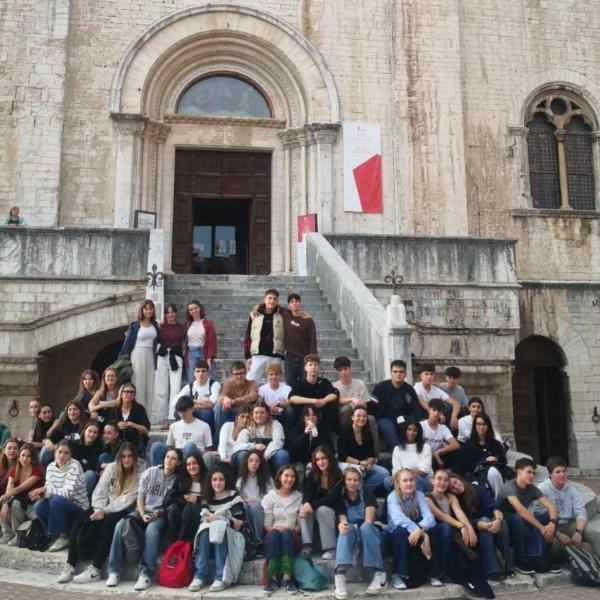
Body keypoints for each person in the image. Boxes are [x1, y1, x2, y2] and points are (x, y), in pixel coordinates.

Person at [57, 442, 140, 584]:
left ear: (134, 458)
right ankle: (70, 565)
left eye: (130, 456)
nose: (126, 459)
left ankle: (96, 569)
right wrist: (98, 509)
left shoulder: (139, 474)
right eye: (123, 456)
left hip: (123, 510)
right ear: (119, 457)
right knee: (81, 517)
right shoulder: (112, 468)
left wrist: (105, 511)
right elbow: (99, 490)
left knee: (109, 523)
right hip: (104, 507)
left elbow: (127, 500)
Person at [106, 448, 181, 590]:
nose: (169, 461)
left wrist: (158, 513)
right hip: (142, 510)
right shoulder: (150, 472)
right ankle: (114, 570)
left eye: (173, 459)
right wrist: (141, 513)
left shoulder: (177, 480)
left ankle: (145, 573)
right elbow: (140, 497)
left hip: (160, 515)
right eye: (167, 457)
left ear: (178, 462)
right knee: (120, 524)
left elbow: (172, 504)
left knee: (152, 530)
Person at [497, 457, 561, 574]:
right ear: (519, 472)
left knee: (549, 515)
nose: (532, 475)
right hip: (505, 522)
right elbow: (521, 510)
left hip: (523, 521)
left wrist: (552, 523)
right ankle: (521, 560)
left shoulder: (531, 488)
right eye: (529, 472)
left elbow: (551, 506)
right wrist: (541, 528)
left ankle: (546, 558)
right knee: (517, 518)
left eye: (533, 473)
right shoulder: (509, 487)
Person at [188, 467, 246, 593]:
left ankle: (221, 577)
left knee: (219, 526)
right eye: (214, 480)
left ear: (226, 481)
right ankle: (199, 575)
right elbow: (204, 519)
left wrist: (219, 518)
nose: (217, 483)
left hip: (231, 539)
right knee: (204, 529)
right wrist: (215, 519)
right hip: (210, 541)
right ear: (210, 481)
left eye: (221, 479)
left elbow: (239, 524)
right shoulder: (207, 497)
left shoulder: (234, 496)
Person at [333, 466, 387, 599]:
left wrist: (357, 547)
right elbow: (343, 521)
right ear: (344, 481)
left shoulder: (367, 493)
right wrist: (342, 526)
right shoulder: (340, 499)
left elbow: (368, 522)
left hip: (373, 537)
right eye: (349, 480)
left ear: (360, 482)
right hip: (354, 537)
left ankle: (380, 575)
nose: (352, 483)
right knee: (346, 528)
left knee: (365, 527)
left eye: (356, 480)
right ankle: (339, 575)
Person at [449, 474, 511, 580]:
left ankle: (508, 566)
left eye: (455, 482)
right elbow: (466, 520)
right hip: (474, 527)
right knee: (484, 528)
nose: (456, 487)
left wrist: (498, 521)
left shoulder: (476, 489)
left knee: (503, 524)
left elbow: (493, 506)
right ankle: (492, 570)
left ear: (459, 478)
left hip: (490, 520)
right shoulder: (456, 501)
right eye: (452, 488)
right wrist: (485, 525)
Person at [30, 440, 89, 552]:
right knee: (38, 506)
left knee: (56, 501)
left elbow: (67, 493)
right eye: (60, 451)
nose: (62, 455)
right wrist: (41, 495)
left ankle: (63, 536)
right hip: (60, 505)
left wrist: (46, 490)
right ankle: (54, 535)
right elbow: (49, 489)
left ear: (70, 455)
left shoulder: (75, 465)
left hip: (78, 508)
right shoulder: (51, 467)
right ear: (55, 452)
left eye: (66, 453)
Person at [387, 468, 439, 590]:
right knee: (401, 531)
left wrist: (420, 530)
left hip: (414, 531)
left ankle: (434, 573)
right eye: (405, 481)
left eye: (411, 480)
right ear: (399, 484)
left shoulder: (419, 495)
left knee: (434, 530)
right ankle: (398, 574)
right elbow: (399, 519)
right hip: (395, 533)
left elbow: (430, 518)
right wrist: (423, 534)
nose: (409, 483)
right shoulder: (392, 497)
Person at [425, 469, 478, 583]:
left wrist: (469, 527)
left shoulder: (450, 496)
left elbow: (458, 512)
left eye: (446, 480)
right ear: (432, 481)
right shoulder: (427, 498)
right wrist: (462, 526)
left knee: (464, 534)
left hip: (451, 531)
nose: (442, 482)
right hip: (435, 532)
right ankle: (440, 571)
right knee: (446, 528)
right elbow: (441, 517)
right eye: (439, 479)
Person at [537, 456, 590, 559]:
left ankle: (581, 555)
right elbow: (538, 516)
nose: (562, 474)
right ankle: (581, 554)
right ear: (550, 474)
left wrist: (578, 532)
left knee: (594, 533)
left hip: (569, 524)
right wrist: (559, 535)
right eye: (558, 472)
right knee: (556, 547)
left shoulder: (572, 489)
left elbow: (581, 511)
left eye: (564, 471)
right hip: (551, 527)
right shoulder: (541, 490)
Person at [261, 464, 302, 593]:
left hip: (291, 538)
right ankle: (272, 579)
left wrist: (288, 528)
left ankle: (287, 578)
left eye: (292, 476)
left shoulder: (299, 497)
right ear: (279, 477)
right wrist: (275, 528)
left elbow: (300, 527)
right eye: (286, 475)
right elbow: (267, 525)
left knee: (286, 533)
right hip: (273, 537)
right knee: (274, 534)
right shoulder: (269, 497)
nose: (289, 479)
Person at [299, 445, 342, 558]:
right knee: (303, 507)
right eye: (317, 459)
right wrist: (307, 503)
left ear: (330, 458)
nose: (320, 462)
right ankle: (306, 546)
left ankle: (331, 548)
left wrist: (311, 505)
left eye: (323, 458)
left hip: (334, 510)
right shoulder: (314, 473)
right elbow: (307, 491)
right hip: (317, 507)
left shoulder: (338, 475)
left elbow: (332, 499)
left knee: (322, 510)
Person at [119, 299, 159, 418]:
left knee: (150, 385)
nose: (148, 311)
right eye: (146, 309)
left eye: (151, 309)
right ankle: (138, 415)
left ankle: (148, 416)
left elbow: (158, 341)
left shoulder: (155, 325)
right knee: (138, 385)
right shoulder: (135, 325)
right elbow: (127, 343)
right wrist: (122, 358)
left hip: (151, 355)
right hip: (138, 354)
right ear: (142, 310)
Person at [337, 406, 388, 495]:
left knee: (384, 473)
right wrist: (360, 463)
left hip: (364, 465)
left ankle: (362, 490)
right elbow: (343, 456)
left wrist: (368, 462)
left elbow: (372, 455)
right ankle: (357, 490)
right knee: (358, 473)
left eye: (364, 416)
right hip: (350, 465)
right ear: (352, 417)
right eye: (358, 416)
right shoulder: (345, 433)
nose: (361, 418)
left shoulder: (367, 433)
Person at [150, 395, 213, 467]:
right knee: (156, 446)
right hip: (178, 455)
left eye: (185, 411)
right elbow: (170, 446)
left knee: (190, 446)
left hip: (195, 456)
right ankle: (157, 473)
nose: (182, 414)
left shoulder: (204, 426)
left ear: (192, 409)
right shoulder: (174, 426)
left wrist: (200, 451)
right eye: (180, 412)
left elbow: (209, 449)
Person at [0, 443, 42, 545]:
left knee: (14, 503)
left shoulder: (37, 470)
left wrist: (4, 497)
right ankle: (7, 534)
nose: (25, 458)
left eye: (28, 456)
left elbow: (20, 488)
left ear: (33, 458)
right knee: (7, 502)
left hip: (32, 502)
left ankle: (17, 535)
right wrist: (4, 503)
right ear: (19, 456)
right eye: (23, 455)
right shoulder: (14, 469)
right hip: (19, 500)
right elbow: (9, 488)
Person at [288, 354, 339, 437]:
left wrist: (324, 400)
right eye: (310, 365)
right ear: (305, 367)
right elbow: (292, 398)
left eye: (315, 365)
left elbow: (335, 394)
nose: (313, 367)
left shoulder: (324, 382)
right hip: (303, 416)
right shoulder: (299, 383)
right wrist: (313, 401)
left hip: (321, 416)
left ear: (319, 367)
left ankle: (330, 431)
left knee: (333, 403)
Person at [371, 360, 418, 450]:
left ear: (405, 374)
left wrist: (412, 420)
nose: (398, 374)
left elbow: (415, 408)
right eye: (395, 371)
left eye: (401, 372)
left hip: (403, 418)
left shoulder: (409, 389)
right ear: (391, 373)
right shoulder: (380, 387)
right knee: (389, 429)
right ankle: (399, 453)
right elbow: (372, 406)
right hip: (384, 418)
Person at [333, 355, 379, 447]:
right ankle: (348, 440)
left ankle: (375, 455)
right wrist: (352, 399)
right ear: (337, 372)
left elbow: (364, 404)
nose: (343, 372)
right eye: (340, 370)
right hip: (344, 419)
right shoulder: (335, 386)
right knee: (347, 409)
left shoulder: (360, 384)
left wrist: (358, 413)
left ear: (350, 368)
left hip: (359, 414)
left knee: (371, 419)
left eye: (345, 368)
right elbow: (337, 400)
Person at [233, 402, 290, 474]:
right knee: (241, 455)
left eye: (262, 412)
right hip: (252, 457)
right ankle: (246, 480)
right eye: (256, 413)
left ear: (268, 414)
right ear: (252, 414)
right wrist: (254, 446)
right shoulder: (248, 427)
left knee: (283, 454)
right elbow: (237, 446)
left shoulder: (276, 424)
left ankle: (277, 481)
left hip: (269, 457)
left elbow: (278, 442)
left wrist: (266, 455)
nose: (259, 415)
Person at [154, 303, 187, 426]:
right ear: (165, 315)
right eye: (168, 312)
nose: (170, 315)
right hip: (162, 357)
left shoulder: (182, 327)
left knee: (175, 389)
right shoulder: (160, 327)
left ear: (176, 313)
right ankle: (161, 417)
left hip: (176, 358)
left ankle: (172, 417)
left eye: (172, 312)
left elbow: (185, 342)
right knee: (161, 390)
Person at [165, 450, 207, 545]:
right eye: (188, 464)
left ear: (200, 463)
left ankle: (181, 543)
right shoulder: (181, 479)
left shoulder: (208, 479)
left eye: (195, 463)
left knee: (192, 508)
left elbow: (213, 499)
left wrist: (197, 499)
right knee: (174, 509)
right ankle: (175, 542)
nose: (191, 467)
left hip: (200, 514)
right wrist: (184, 497)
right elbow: (170, 499)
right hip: (180, 515)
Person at [464, 412, 509, 497]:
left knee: (494, 472)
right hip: (478, 475)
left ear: (488, 426)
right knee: (492, 472)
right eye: (478, 424)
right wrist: (485, 461)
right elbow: (468, 466)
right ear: (474, 426)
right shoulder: (468, 445)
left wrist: (496, 459)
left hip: (497, 472)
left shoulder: (496, 444)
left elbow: (503, 461)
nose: (481, 427)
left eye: (484, 424)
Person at [244, 288, 285, 382]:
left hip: (275, 355)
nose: (272, 301)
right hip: (258, 354)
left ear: (277, 301)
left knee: (274, 384)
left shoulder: (282, 314)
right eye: (269, 298)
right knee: (251, 382)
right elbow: (248, 335)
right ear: (265, 299)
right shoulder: (255, 314)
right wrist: (247, 356)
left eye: (275, 299)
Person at [236, 450, 274, 551]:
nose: (254, 463)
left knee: (255, 507)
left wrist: (259, 502)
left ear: (260, 463)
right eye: (251, 461)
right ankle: (252, 539)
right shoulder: (241, 480)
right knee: (244, 506)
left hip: (263, 508)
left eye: (257, 461)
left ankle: (259, 540)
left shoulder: (267, 479)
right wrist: (245, 499)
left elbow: (272, 496)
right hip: (248, 508)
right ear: (246, 462)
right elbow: (237, 496)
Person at [170, 359, 221, 433]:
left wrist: (190, 403)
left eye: (203, 371)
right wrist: (196, 403)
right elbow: (175, 402)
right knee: (177, 412)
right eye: (198, 371)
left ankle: (209, 438)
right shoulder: (189, 386)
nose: (200, 374)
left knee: (206, 413)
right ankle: (185, 433)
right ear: (194, 373)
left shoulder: (214, 384)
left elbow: (211, 403)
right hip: (192, 411)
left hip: (206, 412)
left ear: (207, 373)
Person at [385, 418, 432, 493]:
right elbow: (396, 470)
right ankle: (398, 500)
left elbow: (424, 471)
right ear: (404, 431)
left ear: (418, 432)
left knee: (413, 480)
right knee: (387, 481)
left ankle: (414, 502)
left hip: (422, 481)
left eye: (415, 430)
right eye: (409, 429)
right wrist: (400, 476)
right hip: (403, 480)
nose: (411, 432)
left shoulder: (426, 447)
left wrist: (405, 475)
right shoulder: (397, 449)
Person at [281, 293, 317, 387]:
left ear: (300, 303)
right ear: (289, 305)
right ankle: (292, 400)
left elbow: (312, 338)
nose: (294, 303)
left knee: (305, 381)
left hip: (304, 356)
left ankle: (304, 401)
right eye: (292, 302)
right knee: (290, 382)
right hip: (290, 355)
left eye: (296, 301)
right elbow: (271, 305)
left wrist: (312, 356)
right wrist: (258, 307)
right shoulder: (285, 314)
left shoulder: (308, 320)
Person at [215, 361, 258, 437]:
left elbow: (253, 396)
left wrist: (233, 401)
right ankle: (218, 435)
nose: (239, 376)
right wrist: (225, 399)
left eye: (241, 373)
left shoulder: (252, 383)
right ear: (232, 375)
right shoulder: (228, 384)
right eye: (236, 374)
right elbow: (222, 396)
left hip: (246, 411)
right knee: (219, 406)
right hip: (232, 410)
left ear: (245, 373)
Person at [107, 383, 150, 458]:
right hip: (115, 447)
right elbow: (107, 426)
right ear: (121, 394)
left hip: (135, 447)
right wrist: (116, 426)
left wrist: (132, 425)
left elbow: (146, 430)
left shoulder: (139, 409)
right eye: (126, 391)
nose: (129, 394)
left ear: (134, 395)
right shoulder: (114, 409)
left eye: (132, 392)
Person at [414, 364, 460, 430]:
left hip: (436, 417)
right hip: (421, 417)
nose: (429, 376)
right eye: (426, 374)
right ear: (421, 376)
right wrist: (438, 413)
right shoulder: (416, 387)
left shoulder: (436, 390)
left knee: (450, 410)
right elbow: (424, 404)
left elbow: (456, 403)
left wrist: (454, 417)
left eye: (431, 374)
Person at [41, 399, 86, 467]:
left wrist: (58, 447)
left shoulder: (86, 425)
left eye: (75, 409)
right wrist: (50, 444)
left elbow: (77, 440)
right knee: (46, 448)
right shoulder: (63, 425)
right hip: (61, 453)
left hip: (76, 453)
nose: (72, 412)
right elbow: (47, 439)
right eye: (70, 410)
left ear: (80, 411)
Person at [420, 399, 460, 471]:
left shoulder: (443, 428)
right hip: (423, 457)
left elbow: (455, 445)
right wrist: (434, 455)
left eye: (439, 411)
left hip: (437, 457)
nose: (436, 413)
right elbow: (418, 446)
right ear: (429, 410)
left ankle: (457, 475)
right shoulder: (421, 425)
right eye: (434, 410)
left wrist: (438, 452)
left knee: (458, 452)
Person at [185, 299, 217, 383]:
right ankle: (193, 396)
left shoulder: (208, 323)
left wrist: (209, 359)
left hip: (203, 353)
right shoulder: (187, 324)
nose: (193, 310)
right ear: (189, 312)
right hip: (191, 354)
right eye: (191, 309)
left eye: (195, 308)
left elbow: (212, 342)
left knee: (207, 379)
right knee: (192, 380)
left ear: (200, 308)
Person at [258, 362, 291, 432]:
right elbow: (259, 402)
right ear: (267, 376)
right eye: (271, 374)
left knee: (290, 411)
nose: (274, 377)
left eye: (276, 374)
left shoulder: (287, 388)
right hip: (268, 414)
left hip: (282, 414)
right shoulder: (262, 389)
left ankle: (288, 433)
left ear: (280, 375)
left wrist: (278, 405)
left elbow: (289, 403)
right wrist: (269, 408)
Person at [73, 420, 103, 497]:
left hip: (86, 478)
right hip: (72, 476)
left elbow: (92, 465)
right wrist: (82, 462)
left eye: (95, 432)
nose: (92, 434)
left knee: (90, 474)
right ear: (85, 430)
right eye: (90, 431)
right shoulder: (75, 444)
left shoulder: (98, 447)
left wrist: (82, 462)